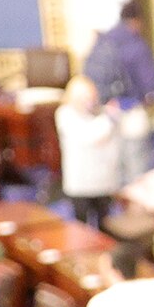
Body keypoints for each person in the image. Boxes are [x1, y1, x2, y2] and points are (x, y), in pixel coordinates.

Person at [56, 75, 134, 225]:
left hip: (104, 182)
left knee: (106, 225)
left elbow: (120, 137)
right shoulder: (65, 115)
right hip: (80, 185)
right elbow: (91, 136)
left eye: (90, 96)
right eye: (83, 97)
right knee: (81, 228)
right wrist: (109, 119)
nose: (88, 101)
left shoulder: (102, 113)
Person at [83, 0, 154, 113]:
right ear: (137, 21)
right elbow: (151, 84)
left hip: (93, 107)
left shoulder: (103, 40)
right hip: (120, 109)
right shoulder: (135, 45)